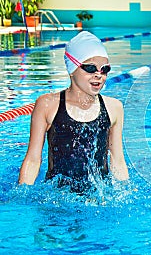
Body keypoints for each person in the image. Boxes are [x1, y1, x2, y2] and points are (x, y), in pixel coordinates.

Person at [18, 31, 129, 193]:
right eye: (90, 68)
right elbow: (33, 159)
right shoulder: (48, 105)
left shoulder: (114, 107)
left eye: (104, 69)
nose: (98, 75)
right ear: (72, 68)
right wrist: (22, 196)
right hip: (57, 197)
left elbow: (117, 160)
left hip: (98, 199)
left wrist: (124, 193)